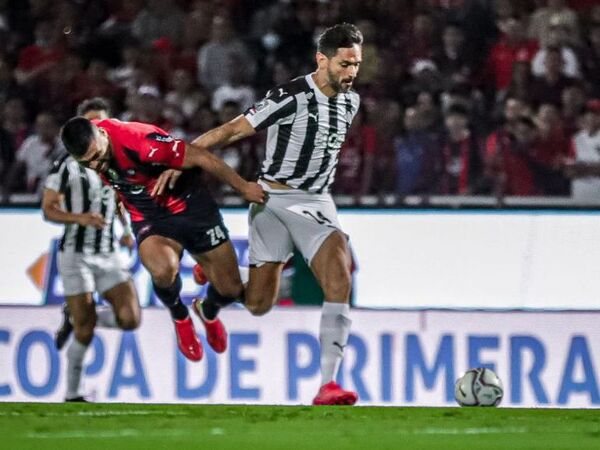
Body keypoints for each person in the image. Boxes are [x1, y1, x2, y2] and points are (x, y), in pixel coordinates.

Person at [186, 23, 363, 405]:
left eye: (356, 65)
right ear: (322, 59)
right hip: (272, 199)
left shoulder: (352, 102)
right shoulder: (292, 95)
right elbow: (234, 130)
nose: (351, 72)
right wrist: (183, 155)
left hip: (316, 201)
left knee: (339, 277)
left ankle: (328, 384)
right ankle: (212, 296)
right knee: (258, 305)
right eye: (345, 64)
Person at [59, 104, 265, 364]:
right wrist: (122, 199)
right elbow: (116, 178)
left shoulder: (140, 142)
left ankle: (207, 310)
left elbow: (201, 156)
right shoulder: (93, 151)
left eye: (97, 157)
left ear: (102, 135)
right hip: (151, 216)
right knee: (161, 269)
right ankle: (180, 316)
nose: (96, 164)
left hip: (192, 208)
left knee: (231, 289)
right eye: (87, 162)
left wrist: (243, 187)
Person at [44, 98, 140, 401]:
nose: (97, 129)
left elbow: (120, 200)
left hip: (108, 253)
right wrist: (80, 218)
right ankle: (73, 394)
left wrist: (126, 230)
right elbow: (48, 209)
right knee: (85, 332)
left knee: (130, 319)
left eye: (102, 123)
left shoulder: (116, 159)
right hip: (76, 254)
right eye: (91, 123)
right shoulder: (65, 164)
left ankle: (78, 315)